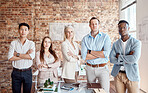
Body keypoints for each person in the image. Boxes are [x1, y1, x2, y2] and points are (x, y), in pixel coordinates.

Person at [109, 20, 141, 93]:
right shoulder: (115, 44)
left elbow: (134, 58)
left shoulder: (136, 43)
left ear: (128, 28)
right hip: (118, 74)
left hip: (132, 74)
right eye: (120, 28)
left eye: (124, 27)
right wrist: (127, 56)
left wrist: (119, 57)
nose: (122, 29)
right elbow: (111, 59)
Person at [81, 17, 111, 93]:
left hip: (102, 68)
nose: (94, 26)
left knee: (105, 91)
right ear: (89, 25)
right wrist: (100, 53)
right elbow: (84, 56)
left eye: (96, 24)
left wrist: (90, 51)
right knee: (90, 91)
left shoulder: (105, 37)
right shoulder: (85, 39)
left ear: (99, 25)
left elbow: (106, 54)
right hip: (90, 68)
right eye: (92, 24)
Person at [8, 23, 35, 93]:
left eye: (25, 30)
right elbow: (10, 58)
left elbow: (31, 57)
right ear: (18, 30)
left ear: (28, 31)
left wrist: (17, 54)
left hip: (27, 72)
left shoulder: (31, 44)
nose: (23, 32)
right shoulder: (13, 43)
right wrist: (25, 55)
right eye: (21, 29)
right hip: (16, 72)